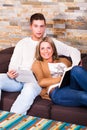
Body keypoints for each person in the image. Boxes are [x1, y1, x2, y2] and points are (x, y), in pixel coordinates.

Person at [0, 13, 81, 115]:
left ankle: (13, 119)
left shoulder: (49, 43)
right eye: (36, 26)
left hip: (34, 81)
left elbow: (74, 51)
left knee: (28, 90)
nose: (39, 30)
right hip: (17, 79)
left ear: (45, 27)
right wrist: (11, 72)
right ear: (31, 27)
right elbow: (13, 63)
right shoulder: (22, 43)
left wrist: (75, 66)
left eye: (41, 26)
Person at [32, 36, 87, 106]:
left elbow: (72, 72)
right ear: (39, 51)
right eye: (42, 48)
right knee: (83, 96)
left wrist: (78, 67)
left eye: (48, 48)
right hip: (56, 91)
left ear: (53, 49)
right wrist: (61, 79)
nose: (46, 51)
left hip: (70, 85)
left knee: (76, 69)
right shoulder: (37, 63)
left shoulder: (63, 60)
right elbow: (41, 82)